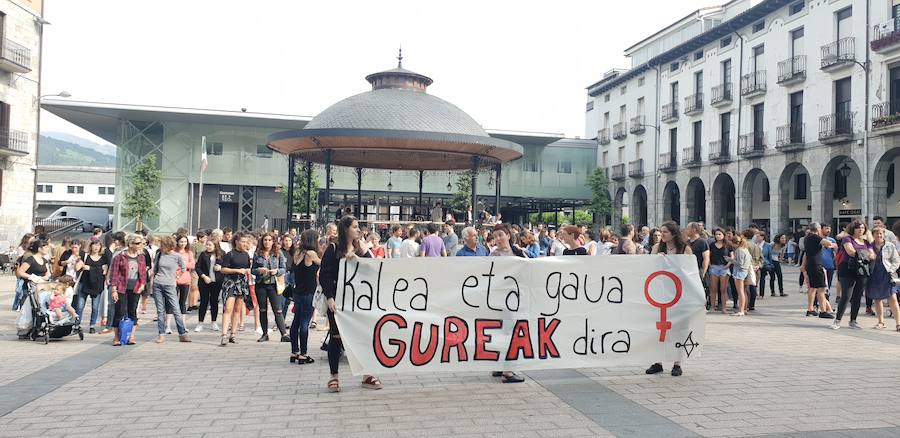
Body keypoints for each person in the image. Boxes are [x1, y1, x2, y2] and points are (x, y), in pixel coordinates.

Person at [320, 216, 382, 392]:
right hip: (339, 301)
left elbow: (373, 267)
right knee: (336, 337)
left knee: (364, 336)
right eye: (355, 227)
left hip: (359, 300)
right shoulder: (333, 248)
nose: (358, 230)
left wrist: (361, 252)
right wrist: (329, 297)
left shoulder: (360, 247)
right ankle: (334, 377)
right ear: (345, 229)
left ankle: (367, 374)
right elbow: (325, 274)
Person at [647, 221, 693, 377]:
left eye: (665, 232)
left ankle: (677, 363)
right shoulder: (656, 248)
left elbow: (690, 271)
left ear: (673, 233)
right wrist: (656, 259)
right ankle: (658, 361)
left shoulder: (684, 249)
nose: (662, 235)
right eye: (661, 231)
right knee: (659, 329)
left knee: (678, 329)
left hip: (679, 294)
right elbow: (648, 268)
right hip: (660, 294)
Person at [488, 224, 526, 383]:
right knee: (507, 333)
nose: (498, 239)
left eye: (500, 235)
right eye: (495, 236)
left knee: (508, 332)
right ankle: (508, 371)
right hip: (501, 301)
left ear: (508, 236)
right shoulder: (494, 255)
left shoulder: (518, 252)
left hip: (515, 299)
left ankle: (501, 366)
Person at [832, 220, 875, 330]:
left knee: (857, 296)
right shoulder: (847, 239)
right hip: (848, 269)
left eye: (862, 228)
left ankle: (853, 320)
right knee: (846, 296)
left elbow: (873, 255)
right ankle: (837, 320)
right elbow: (850, 251)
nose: (861, 230)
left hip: (862, 271)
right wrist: (865, 254)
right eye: (858, 228)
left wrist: (862, 253)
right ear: (853, 229)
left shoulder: (866, 242)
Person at [108, 234, 147, 346]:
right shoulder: (119, 257)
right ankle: (116, 337)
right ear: (130, 244)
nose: (140, 245)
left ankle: (132, 336)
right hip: (121, 288)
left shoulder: (141, 257)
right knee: (119, 311)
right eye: (137, 243)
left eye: (141, 243)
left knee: (132, 312)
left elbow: (143, 273)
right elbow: (114, 275)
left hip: (135, 288)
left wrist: (142, 285)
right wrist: (114, 290)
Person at [151, 236, 190, 343]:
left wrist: (177, 276)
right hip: (158, 284)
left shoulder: (177, 256)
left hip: (170, 285)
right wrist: (152, 283)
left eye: (163, 245)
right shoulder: (159, 254)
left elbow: (183, 268)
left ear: (169, 246)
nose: (161, 247)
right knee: (160, 311)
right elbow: (155, 270)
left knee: (176, 309)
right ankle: (161, 334)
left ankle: (182, 333)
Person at [290, 229, 320, 364]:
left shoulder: (298, 252)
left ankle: (294, 352)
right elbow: (324, 264)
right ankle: (303, 353)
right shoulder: (311, 253)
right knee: (304, 323)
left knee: (296, 321)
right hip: (309, 292)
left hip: (298, 291)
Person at [252, 232, 288, 342]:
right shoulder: (257, 253)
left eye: (269, 240)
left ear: (273, 241)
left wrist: (276, 271)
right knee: (263, 310)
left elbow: (283, 268)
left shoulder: (278, 253)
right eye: (265, 240)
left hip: (274, 284)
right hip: (261, 284)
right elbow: (252, 270)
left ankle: (284, 334)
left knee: (278, 310)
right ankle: (264, 334)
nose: (267, 242)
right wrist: (259, 270)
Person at [219, 233, 251, 346]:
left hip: (241, 283)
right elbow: (223, 269)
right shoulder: (230, 254)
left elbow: (247, 268)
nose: (245, 244)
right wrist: (236, 271)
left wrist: (248, 271)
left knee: (238, 309)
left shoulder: (246, 255)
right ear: (236, 242)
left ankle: (233, 334)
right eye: (243, 241)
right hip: (230, 283)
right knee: (228, 308)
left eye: (246, 242)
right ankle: (224, 335)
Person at [867, 226, 900, 330]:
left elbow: (896, 260)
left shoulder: (889, 246)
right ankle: (881, 322)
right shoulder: (869, 246)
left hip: (887, 274)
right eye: (877, 234)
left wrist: (891, 269)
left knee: (893, 298)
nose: (879, 236)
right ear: (873, 235)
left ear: (884, 234)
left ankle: (898, 323)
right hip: (874, 274)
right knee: (877, 299)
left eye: (881, 233)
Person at [800, 223, 834, 318]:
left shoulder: (807, 237)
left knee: (812, 288)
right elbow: (827, 243)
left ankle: (810, 309)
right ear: (818, 229)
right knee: (821, 288)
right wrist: (830, 244)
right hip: (816, 265)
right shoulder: (815, 236)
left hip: (811, 265)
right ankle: (823, 311)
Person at [75, 239, 107, 333]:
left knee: (95, 307)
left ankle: (92, 325)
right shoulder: (85, 256)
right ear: (90, 246)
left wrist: (89, 268)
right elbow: (78, 268)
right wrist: (78, 261)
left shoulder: (103, 257)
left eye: (98, 245)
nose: (96, 247)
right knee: (80, 306)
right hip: (84, 283)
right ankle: (77, 325)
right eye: (94, 245)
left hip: (97, 285)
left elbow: (104, 271)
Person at [195, 239, 223, 332]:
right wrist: (203, 276)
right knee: (204, 302)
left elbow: (227, 265)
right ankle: (200, 323)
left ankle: (214, 322)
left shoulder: (222, 254)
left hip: (217, 281)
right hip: (205, 281)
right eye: (207, 245)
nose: (208, 247)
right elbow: (197, 267)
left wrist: (221, 268)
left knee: (214, 302)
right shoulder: (203, 254)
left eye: (210, 245)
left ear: (215, 245)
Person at [707, 229, 732, 313]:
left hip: (724, 267)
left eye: (719, 234)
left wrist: (728, 265)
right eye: (716, 234)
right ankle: (712, 307)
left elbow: (732, 256)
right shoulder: (712, 245)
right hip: (714, 267)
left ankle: (724, 308)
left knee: (723, 289)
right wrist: (710, 265)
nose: (717, 236)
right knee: (713, 289)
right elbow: (709, 255)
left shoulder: (728, 245)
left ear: (723, 235)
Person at [727, 234, 751, 316]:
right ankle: (744, 309)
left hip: (739, 272)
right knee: (743, 291)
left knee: (740, 292)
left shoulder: (739, 250)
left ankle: (741, 310)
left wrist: (731, 260)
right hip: (744, 271)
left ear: (735, 243)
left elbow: (740, 263)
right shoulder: (745, 249)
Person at [174, 234, 195, 317]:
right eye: (181, 242)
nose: (183, 243)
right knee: (172, 301)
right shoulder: (174, 252)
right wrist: (184, 264)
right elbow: (172, 265)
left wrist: (182, 264)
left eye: (185, 242)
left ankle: (182, 320)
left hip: (185, 279)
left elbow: (192, 265)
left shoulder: (189, 253)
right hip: (175, 278)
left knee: (182, 301)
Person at [742, 229, 762, 311]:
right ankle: (752, 305)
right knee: (754, 286)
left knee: (746, 287)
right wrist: (758, 265)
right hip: (756, 268)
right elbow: (762, 258)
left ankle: (746, 304)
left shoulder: (744, 245)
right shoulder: (757, 245)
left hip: (747, 267)